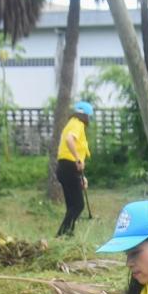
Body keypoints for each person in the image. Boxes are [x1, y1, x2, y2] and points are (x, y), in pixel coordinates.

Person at [56, 100, 93, 237]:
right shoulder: (78, 124)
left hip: (65, 167)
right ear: (86, 116)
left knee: (72, 206)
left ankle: (67, 235)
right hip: (69, 167)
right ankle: (62, 235)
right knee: (78, 205)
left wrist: (82, 176)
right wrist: (78, 158)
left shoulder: (70, 123)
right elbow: (69, 140)